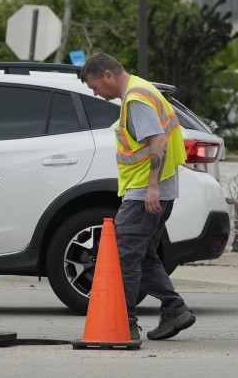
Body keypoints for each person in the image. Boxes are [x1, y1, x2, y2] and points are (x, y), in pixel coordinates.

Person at [79, 53, 196, 346]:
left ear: (108, 75)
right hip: (150, 190)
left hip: (146, 192)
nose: (96, 93)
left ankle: (125, 324)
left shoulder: (136, 99)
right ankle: (174, 309)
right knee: (143, 256)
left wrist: (152, 188)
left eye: (95, 86)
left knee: (123, 258)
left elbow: (157, 140)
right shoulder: (141, 89)